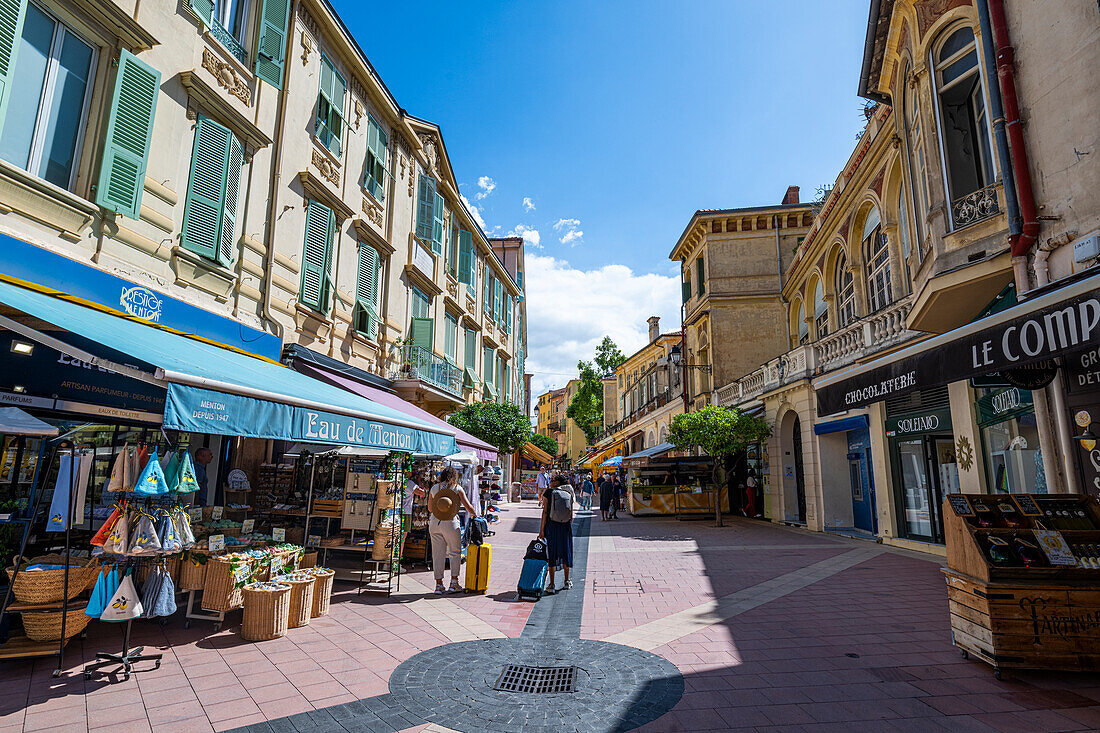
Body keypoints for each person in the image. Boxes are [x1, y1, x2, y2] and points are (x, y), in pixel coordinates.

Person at [427, 466, 479, 594]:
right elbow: (468, 507)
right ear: (454, 477)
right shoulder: (457, 488)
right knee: (455, 552)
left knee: (437, 554)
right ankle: (454, 583)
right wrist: (475, 515)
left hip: (434, 522)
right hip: (450, 522)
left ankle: (438, 585)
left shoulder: (434, 488)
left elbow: (430, 508)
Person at [538, 473, 575, 594]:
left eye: (553, 480)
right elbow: (571, 516)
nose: (551, 481)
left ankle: (552, 584)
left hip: (552, 526)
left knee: (552, 552)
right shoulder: (568, 494)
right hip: (565, 526)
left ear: (557, 483)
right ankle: (567, 581)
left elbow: (544, 512)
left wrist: (542, 530)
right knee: (566, 551)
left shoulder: (548, 493)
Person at [399, 467, 426, 560]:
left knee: (395, 535)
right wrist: (420, 482)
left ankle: (390, 562)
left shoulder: (398, 480)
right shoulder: (409, 483)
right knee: (402, 537)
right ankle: (396, 563)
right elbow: (422, 493)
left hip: (396, 510)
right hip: (405, 512)